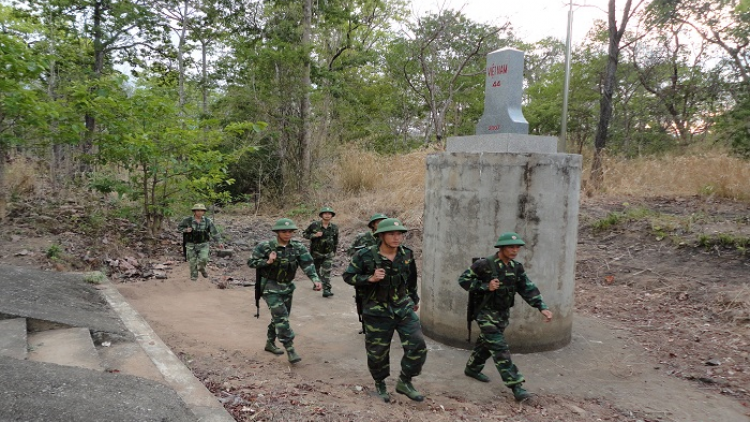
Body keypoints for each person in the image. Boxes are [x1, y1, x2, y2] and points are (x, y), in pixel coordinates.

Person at [457, 232, 553, 402]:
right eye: (511, 247)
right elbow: (463, 280)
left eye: (517, 247)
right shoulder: (484, 265)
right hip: (485, 314)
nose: (515, 250)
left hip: (502, 314)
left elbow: (527, 288)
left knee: (487, 343)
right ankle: (516, 387)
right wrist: (485, 286)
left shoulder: (516, 267)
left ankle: (472, 368)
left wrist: (542, 307)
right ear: (501, 248)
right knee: (500, 349)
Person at [342, 218, 427, 403]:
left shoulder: (406, 254)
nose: (397, 238)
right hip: (376, 310)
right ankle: (380, 383)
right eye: (392, 234)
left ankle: (405, 381)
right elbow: (348, 276)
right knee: (377, 352)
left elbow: (411, 279)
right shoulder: (365, 255)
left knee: (418, 345)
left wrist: (414, 299)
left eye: (399, 234)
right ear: (380, 235)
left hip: (403, 307)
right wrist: (369, 279)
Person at [247, 218, 322, 364]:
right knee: (281, 317)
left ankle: (270, 342)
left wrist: (315, 279)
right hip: (269, 286)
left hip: (287, 286)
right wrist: (267, 262)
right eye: (284, 231)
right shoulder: (265, 247)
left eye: (290, 231)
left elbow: (307, 263)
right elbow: (251, 262)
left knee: (281, 317)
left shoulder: (297, 247)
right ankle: (290, 349)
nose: (287, 234)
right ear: (277, 232)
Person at [177, 203, 222, 281]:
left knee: (204, 259)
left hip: (203, 244)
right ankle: (194, 277)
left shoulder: (208, 221)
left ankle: (202, 269)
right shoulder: (187, 220)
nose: (199, 212)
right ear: (194, 211)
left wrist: (219, 242)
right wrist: (186, 230)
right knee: (192, 262)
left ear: (204, 212)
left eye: (201, 211)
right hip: (190, 244)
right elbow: (179, 227)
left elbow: (214, 232)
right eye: (197, 210)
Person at [303, 207, 339, 297]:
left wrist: (334, 251)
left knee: (326, 271)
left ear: (332, 216)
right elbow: (305, 234)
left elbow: (335, 240)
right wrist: (314, 235)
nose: (327, 215)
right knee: (316, 270)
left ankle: (326, 289)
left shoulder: (334, 227)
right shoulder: (314, 225)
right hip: (316, 253)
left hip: (328, 254)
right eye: (325, 213)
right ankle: (317, 284)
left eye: (329, 213)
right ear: (322, 215)